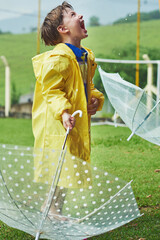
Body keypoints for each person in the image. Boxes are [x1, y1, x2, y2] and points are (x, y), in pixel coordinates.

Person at [32, 1, 104, 220]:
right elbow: (51, 91)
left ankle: (53, 208)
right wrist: (63, 111)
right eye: (73, 15)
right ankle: (52, 210)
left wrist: (94, 100)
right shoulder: (59, 59)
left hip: (72, 120)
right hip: (56, 121)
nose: (80, 15)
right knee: (59, 165)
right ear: (63, 29)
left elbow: (87, 86)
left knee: (67, 166)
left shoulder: (84, 57)